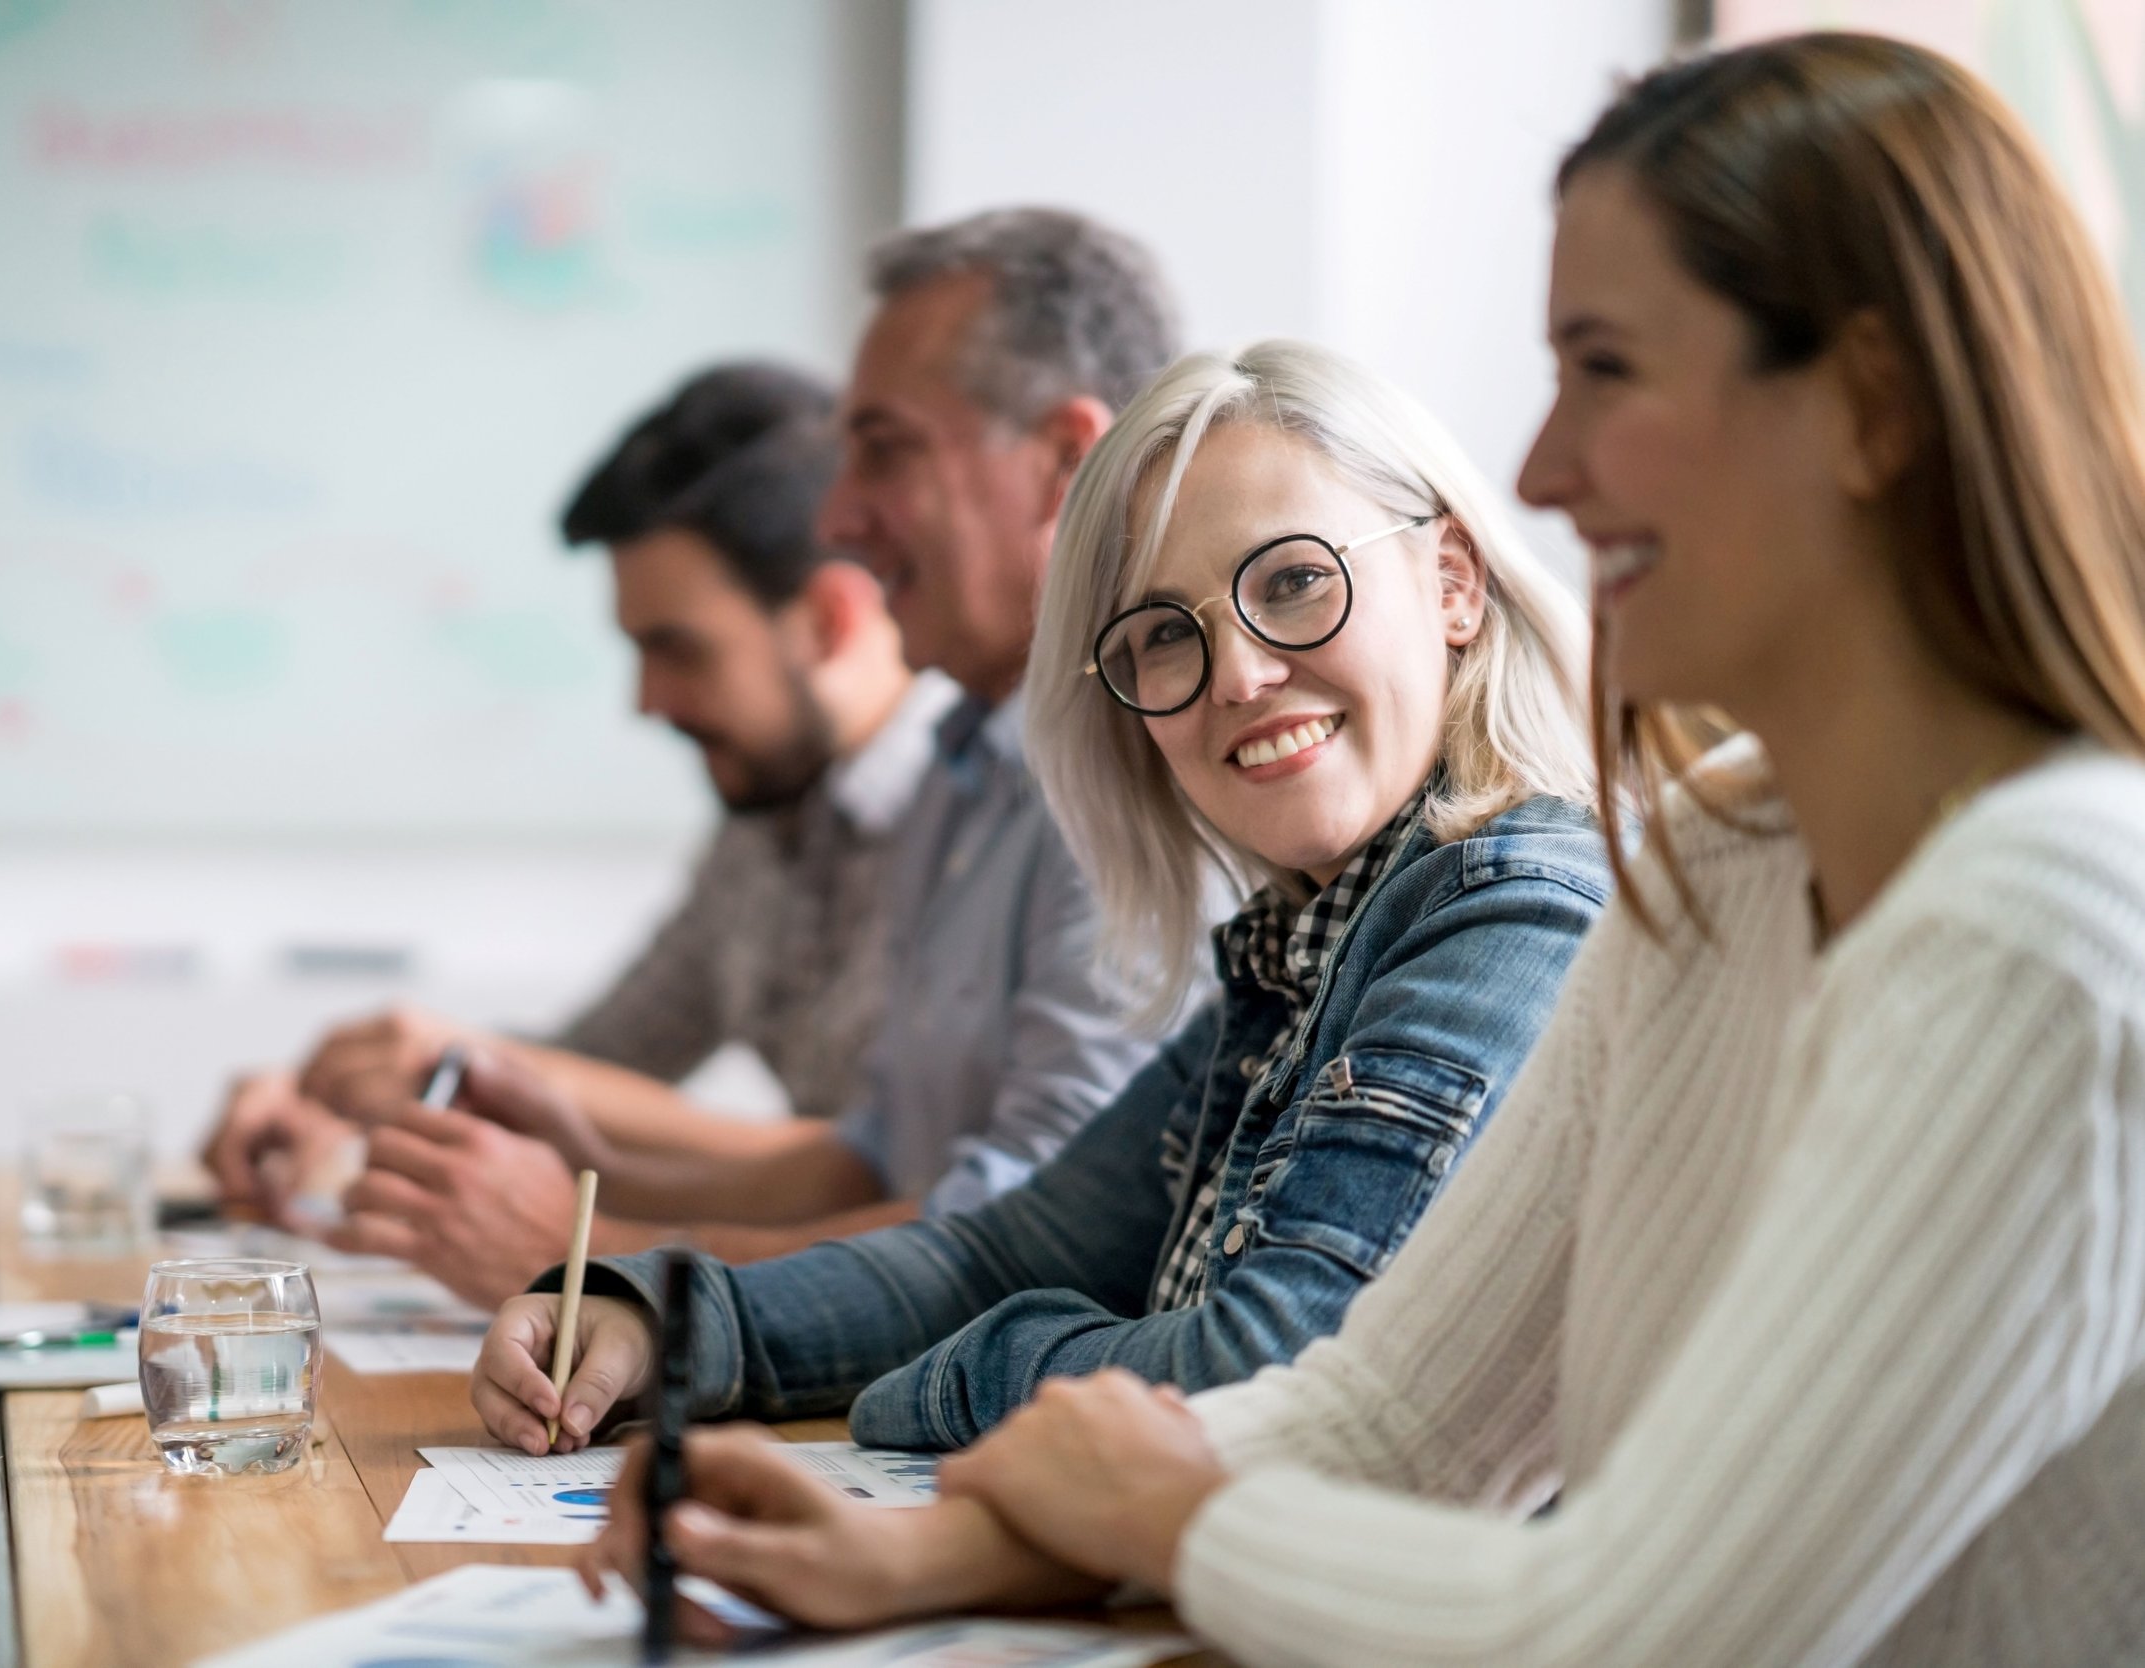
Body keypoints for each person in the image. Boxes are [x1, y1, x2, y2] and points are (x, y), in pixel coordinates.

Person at [581, 34, 2145, 1668]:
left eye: (1605, 367)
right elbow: (1389, 1416)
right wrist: (931, 1550)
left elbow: (1636, 1628)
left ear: (1873, 406)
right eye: (1170, 635)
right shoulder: (1708, 865)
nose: (1542, 465)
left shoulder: (2042, 921)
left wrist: (1129, 1486)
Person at [473, 339, 1608, 1455]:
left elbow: (1261, 1372)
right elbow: (1000, 1256)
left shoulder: (1517, 910)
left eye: (1296, 581)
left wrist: (959, 1375)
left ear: (1451, 583)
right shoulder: (1300, 947)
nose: (1241, 675)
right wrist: (653, 1321)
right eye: (1167, 634)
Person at [230, 211, 1186, 1302]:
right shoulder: (967, 774)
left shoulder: (1143, 781)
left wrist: (594, 1251)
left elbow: (1021, 1243)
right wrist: (573, 1146)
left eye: (883, 449)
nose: (843, 513)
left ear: (1066, 460)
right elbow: (861, 1160)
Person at [200, 363, 954, 1281]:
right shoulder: (765, 817)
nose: (647, 702)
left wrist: (463, 1059)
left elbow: (890, 1170)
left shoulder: (982, 815)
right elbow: (595, 1059)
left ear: (831, 621)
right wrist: (366, 1102)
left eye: (678, 649)